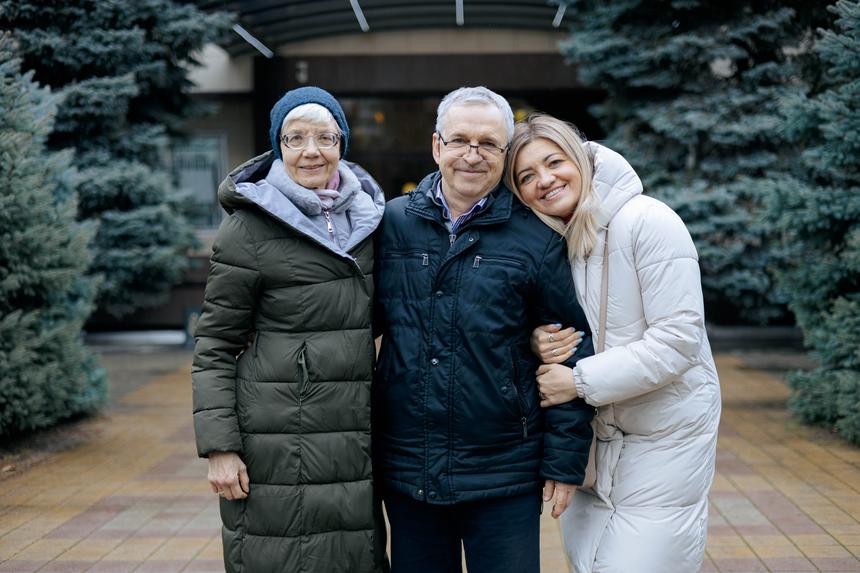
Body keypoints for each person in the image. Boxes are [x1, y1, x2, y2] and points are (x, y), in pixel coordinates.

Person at [373, 87, 595, 573]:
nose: (472, 155)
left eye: (489, 144)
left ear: (504, 153)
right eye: (460, 141)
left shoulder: (536, 237)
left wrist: (563, 460)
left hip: (505, 472)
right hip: (409, 467)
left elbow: (571, 351)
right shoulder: (389, 225)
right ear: (437, 146)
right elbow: (347, 322)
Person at [506, 113, 721, 573]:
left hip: (663, 437)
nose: (544, 180)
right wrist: (536, 340)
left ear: (581, 158)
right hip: (595, 445)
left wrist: (578, 381)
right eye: (526, 176)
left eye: (554, 162)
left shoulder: (649, 222)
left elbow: (678, 339)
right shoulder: (552, 242)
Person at [191, 86, 388, 573]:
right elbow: (215, 344)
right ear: (277, 146)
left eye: (326, 136)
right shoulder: (249, 227)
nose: (311, 151)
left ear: (342, 144)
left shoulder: (371, 220)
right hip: (274, 440)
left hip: (354, 437)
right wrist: (220, 447)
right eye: (294, 137)